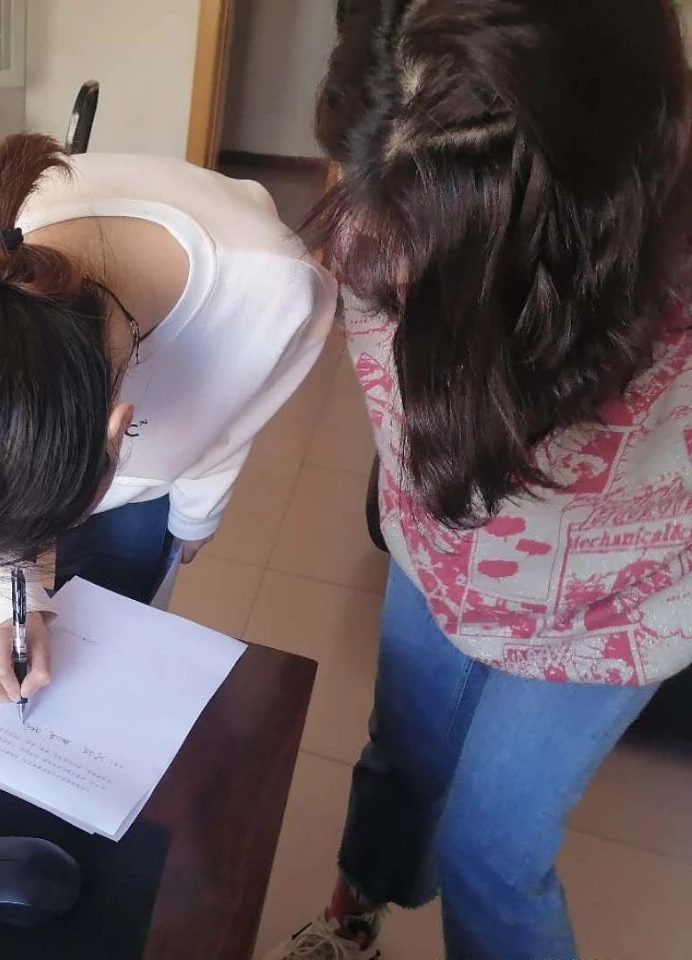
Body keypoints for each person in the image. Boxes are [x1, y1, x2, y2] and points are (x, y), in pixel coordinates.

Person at [265, 1, 692, 959]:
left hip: (613, 613)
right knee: (399, 763)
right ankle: (353, 920)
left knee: (491, 857)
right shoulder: (378, 186)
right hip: (437, 555)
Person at [0, 133, 336, 703]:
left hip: (162, 453)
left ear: (119, 433)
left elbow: (229, 422)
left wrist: (196, 515)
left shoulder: (278, 292)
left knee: (126, 603)